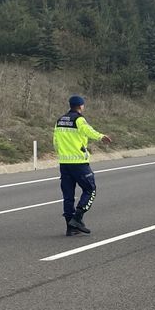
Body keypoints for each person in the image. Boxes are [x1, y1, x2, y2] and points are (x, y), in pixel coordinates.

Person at [53, 95, 112, 236]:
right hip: (79, 163)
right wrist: (101, 136)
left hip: (64, 163)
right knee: (90, 189)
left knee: (68, 196)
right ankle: (77, 218)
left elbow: (55, 141)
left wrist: (61, 154)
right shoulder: (79, 119)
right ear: (80, 106)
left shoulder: (60, 120)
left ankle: (70, 227)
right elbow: (88, 131)